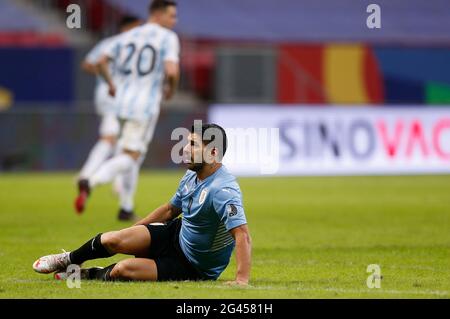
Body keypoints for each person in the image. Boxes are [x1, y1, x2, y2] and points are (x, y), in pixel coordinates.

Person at [33, 124, 252, 285]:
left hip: (194, 266)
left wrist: (241, 279)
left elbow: (242, 234)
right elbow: (169, 210)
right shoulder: (191, 175)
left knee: (122, 270)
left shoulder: (224, 190)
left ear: (213, 153)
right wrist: (134, 229)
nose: (185, 149)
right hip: (176, 235)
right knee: (113, 239)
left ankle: (85, 274)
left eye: (193, 145)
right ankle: (67, 259)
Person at [74, 0, 180, 222]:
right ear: (158, 15)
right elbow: (171, 70)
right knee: (131, 157)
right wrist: (171, 89)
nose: (174, 21)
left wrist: (110, 83)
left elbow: (101, 60)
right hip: (144, 107)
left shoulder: (125, 37)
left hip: (121, 104)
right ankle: (90, 180)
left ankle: (126, 206)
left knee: (131, 154)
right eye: (171, 16)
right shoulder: (167, 38)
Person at [78, 15, 142, 221]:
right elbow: (89, 64)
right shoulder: (127, 46)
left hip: (107, 96)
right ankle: (94, 178)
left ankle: (93, 177)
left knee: (113, 139)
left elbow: (88, 64)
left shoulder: (109, 44)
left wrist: (103, 72)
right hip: (118, 97)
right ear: (128, 27)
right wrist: (110, 77)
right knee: (125, 145)